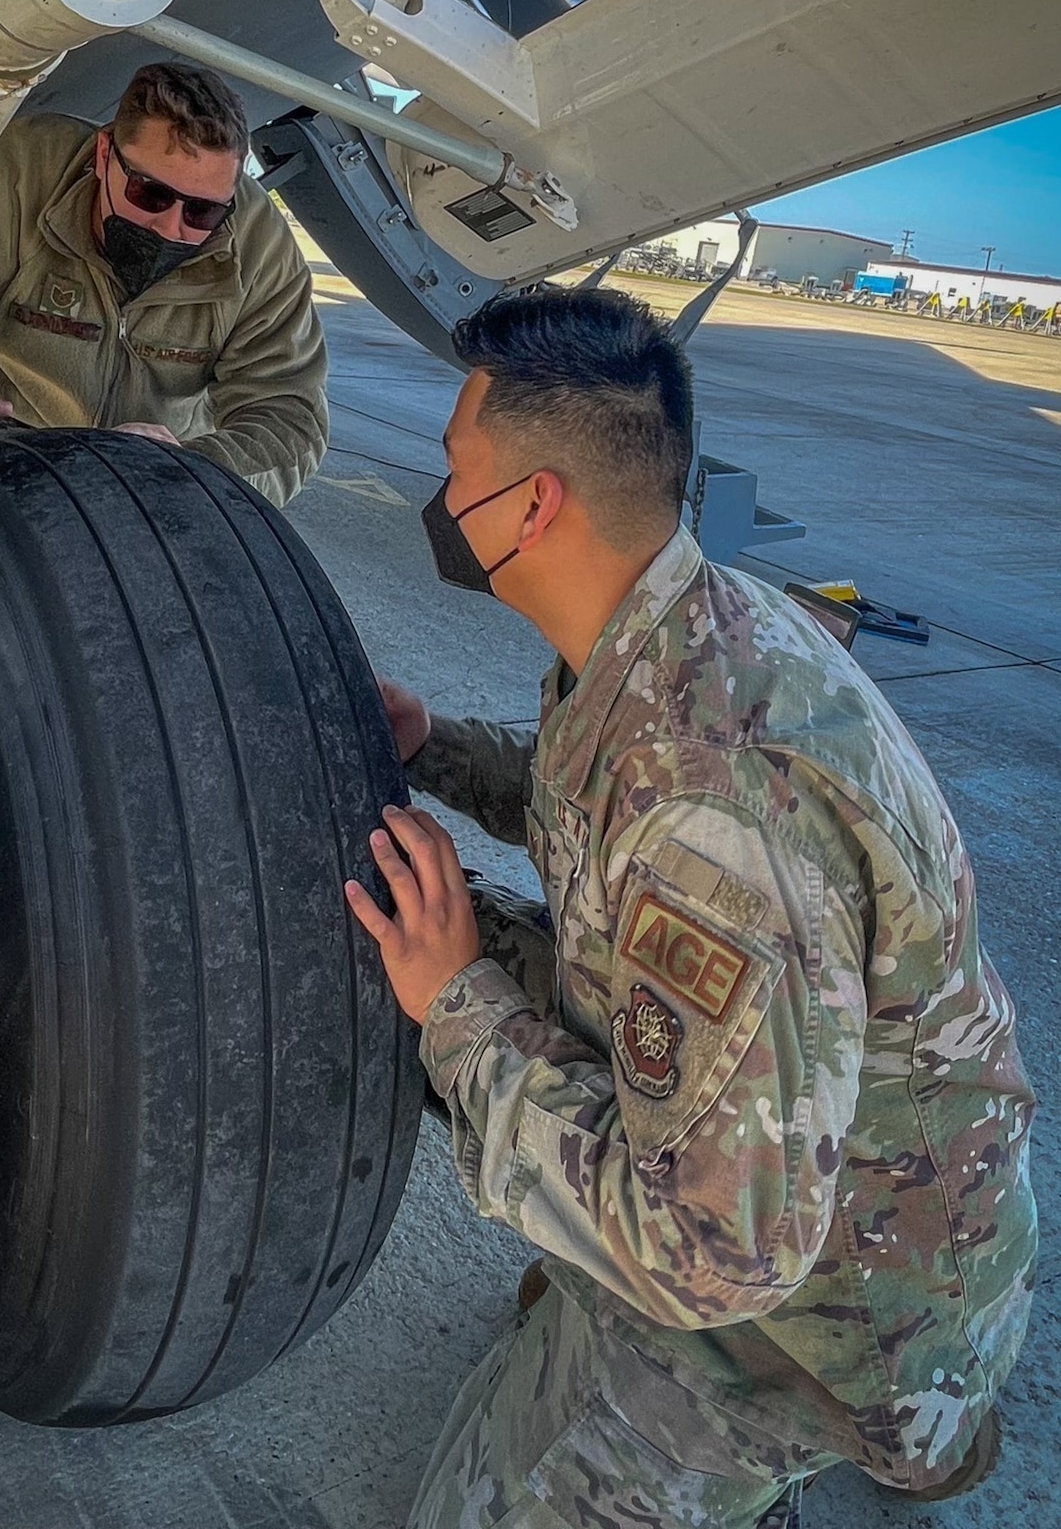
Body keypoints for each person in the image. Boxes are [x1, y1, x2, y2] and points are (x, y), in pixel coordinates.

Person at [345, 287, 1036, 1529]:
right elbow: (600, 798)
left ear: (534, 504)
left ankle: (881, 1414)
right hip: (813, 1147)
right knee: (420, 926)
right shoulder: (685, 623)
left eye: (458, 466)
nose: (443, 497)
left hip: (808, 1300)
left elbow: (717, 1251)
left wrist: (456, 1012)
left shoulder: (719, 808)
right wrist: (434, 743)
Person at [0, 62, 327, 507]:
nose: (172, 228)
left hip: (155, 466)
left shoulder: (259, 244)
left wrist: (196, 467)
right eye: (150, 194)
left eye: (203, 211)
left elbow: (287, 413)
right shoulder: (18, 178)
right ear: (104, 155)